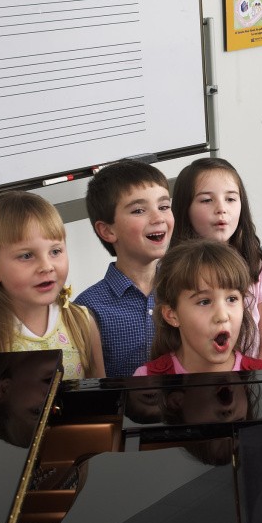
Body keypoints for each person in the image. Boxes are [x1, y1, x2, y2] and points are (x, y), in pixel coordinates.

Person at [0, 191, 105, 380]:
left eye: (55, 251)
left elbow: (102, 401)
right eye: (26, 256)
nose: (46, 266)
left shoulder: (82, 322)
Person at [170, 158, 262, 367]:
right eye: (206, 200)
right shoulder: (171, 271)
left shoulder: (256, 265)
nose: (221, 209)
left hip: (252, 385)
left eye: (230, 199)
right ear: (186, 208)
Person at [76, 159, 174, 377]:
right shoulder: (88, 308)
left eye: (164, 206)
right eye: (139, 210)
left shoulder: (185, 288)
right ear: (108, 231)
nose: (158, 217)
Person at [133, 239, 262, 376]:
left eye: (232, 299)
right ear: (172, 315)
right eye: (204, 302)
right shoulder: (146, 381)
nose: (222, 316)